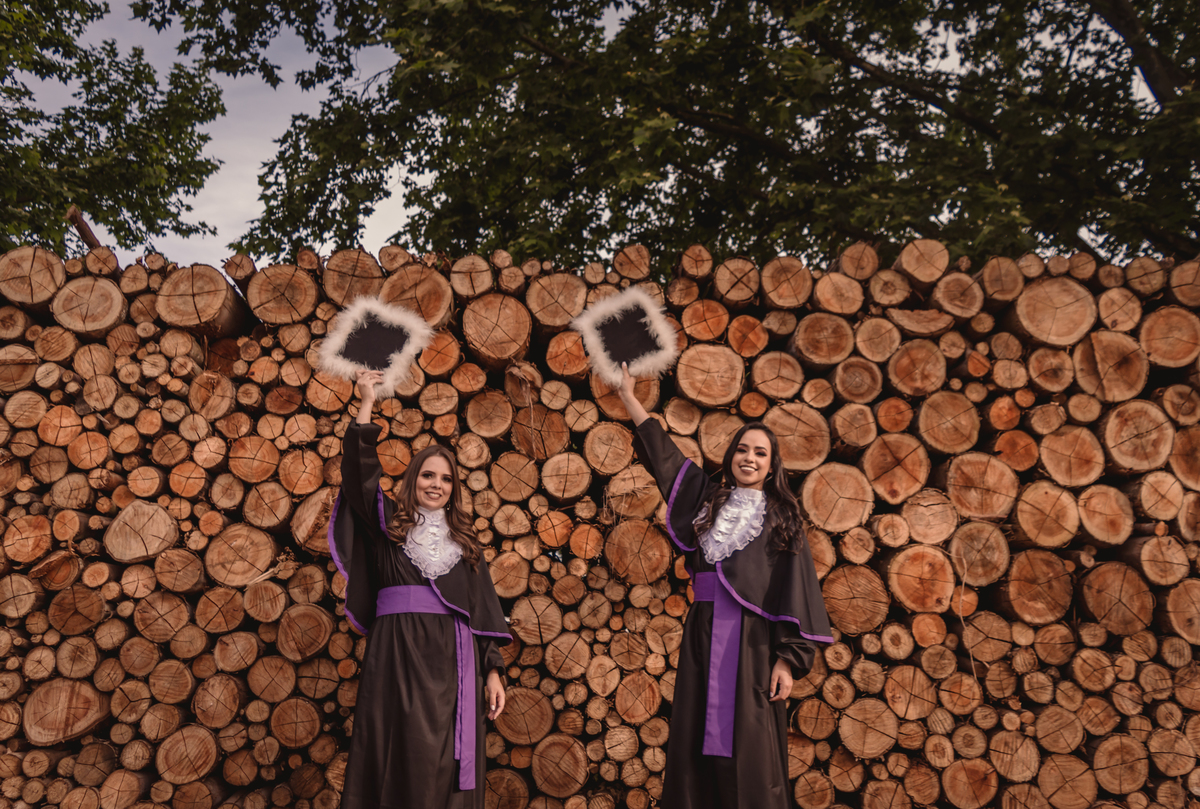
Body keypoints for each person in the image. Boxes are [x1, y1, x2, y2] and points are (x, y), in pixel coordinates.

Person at [616, 363, 834, 809]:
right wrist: (628, 397)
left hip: (753, 646)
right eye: (742, 450)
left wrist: (788, 661)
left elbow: (798, 593)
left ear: (771, 466)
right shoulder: (705, 502)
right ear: (731, 455)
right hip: (702, 634)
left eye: (760, 453)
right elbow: (665, 457)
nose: (749, 458)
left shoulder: (782, 520)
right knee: (695, 737)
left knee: (750, 750)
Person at [330, 369, 511, 809]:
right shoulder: (389, 525)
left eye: (446, 479)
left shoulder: (465, 542)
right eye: (428, 476)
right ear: (414, 479)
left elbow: (483, 610)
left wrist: (492, 670)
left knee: (444, 764)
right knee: (397, 752)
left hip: (454, 660)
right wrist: (367, 403)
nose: (436, 485)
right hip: (396, 654)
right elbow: (359, 477)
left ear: (453, 489)